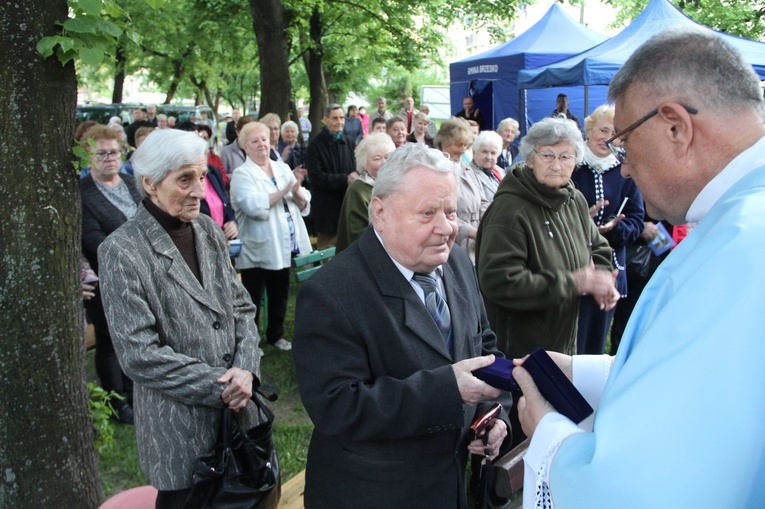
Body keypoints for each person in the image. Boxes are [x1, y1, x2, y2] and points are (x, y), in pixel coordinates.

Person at [515, 27, 765, 509]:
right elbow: (711, 384)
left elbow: (638, 489)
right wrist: (583, 371)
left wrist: (550, 438)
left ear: (675, 126)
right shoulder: (739, 222)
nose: (624, 168)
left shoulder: (742, 244)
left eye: (626, 145)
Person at [293, 142, 512, 509]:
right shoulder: (330, 293)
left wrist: (493, 415)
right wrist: (448, 390)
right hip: (378, 494)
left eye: (451, 211)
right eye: (427, 213)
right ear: (380, 212)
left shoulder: (456, 262)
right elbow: (338, 407)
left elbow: (483, 346)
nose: (446, 228)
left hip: (450, 484)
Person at [97, 129, 262, 508]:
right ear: (150, 183)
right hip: (180, 433)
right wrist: (223, 385)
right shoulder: (121, 250)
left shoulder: (206, 229)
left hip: (241, 421)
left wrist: (247, 369)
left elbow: (241, 308)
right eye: (184, 179)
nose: (200, 190)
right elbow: (139, 354)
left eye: (202, 176)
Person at [475, 118, 617, 447]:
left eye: (566, 156)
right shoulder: (509, 210)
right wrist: (572, 283)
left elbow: (598, 246)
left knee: (550, 432)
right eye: (547, 155)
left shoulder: (573, 199)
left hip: (563, 340)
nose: (557, 164)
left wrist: (603, 278)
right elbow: (499, 280)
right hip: (519, 351)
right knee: (511, 438)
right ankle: (498, 494)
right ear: (528, 158)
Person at [231, 122, 312, 352]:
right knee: (252, 297)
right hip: (258, 245)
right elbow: (253, 206)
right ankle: (248, 341)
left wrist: (296, 190)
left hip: (284, 242)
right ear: (245, 147)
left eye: (264, 139)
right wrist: (285, 190)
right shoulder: (241, 174)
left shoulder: (281, 167)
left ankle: (276, 335)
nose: (261, 145)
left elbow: (303, 200)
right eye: (255, 141)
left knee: (280, 291)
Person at [80, 125, 142, 425]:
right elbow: (92, 238)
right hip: (106, 279)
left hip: (141, 276)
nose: (109, 158)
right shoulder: (83, 194)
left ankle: (134, 393)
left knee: (135, 336)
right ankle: (118, 403)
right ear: (88, 156)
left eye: (114, 152)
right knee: (109, 341)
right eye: (101, 153)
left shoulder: (131, 183)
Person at [571, 105, 645, 355]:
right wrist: (583, 222)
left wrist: (613, 229)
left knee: (594, 344)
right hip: (570, 266)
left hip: (609, 269)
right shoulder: (571, 166)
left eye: (616, 133)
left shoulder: (626, 172)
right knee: (569, 342)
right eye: (603, 130)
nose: (608, 138)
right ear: (589, 130)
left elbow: (636, 222)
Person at [305, 103, 358, 250]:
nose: (339, 122)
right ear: (325, 119)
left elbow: (358, 169)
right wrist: (345, 179)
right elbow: (316, 178)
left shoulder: (350, 143)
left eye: (342, 118)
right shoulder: (315, 146)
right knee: (327, 255)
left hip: (347, 207)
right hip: (327, 210)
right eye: (334, 118)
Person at [435, 117, 486, 262]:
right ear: (443, 143)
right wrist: (470, 232)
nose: (462, 150)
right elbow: (441, 211)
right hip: (452, 243)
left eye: (465, 145)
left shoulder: (467, 168)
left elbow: (483, 201)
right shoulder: (436, 170)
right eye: (458, 145)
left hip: (475, 245)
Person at [335, 132, 395, 252]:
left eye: (388, 157)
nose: (384, 163)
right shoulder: (358, 190)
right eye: (377, 158)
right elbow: (356, 235)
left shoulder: (393, 186)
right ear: (364, 165)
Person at [470, 130, 505, 203]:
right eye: (484, 152)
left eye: (493, 153)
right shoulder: (469, 174)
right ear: (474, 152)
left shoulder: (500, 171)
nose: (489, 157)